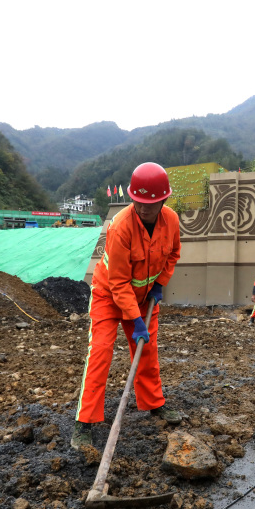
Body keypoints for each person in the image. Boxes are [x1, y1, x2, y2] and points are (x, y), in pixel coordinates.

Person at [72, 162, 183, 454]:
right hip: (109, 295)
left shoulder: (171, 221)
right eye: (138, 202)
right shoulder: (121, 226)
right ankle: (84, 423)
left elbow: (173, 253)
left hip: (146, 296)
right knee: (100, 352)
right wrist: (136, 320)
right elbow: (119, 282)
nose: (143, 209)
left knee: (147, 352)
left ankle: (154, 404)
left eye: (150, 204)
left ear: (163, 200)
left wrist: (161, 283)